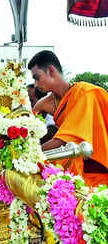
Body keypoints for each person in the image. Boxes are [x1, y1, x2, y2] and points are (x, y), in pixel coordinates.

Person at [28, 50, 108, 187]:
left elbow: (65, 139)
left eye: (37, 77)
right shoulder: (43, 104)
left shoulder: (87, 93)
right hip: (74, 157)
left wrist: (29, 155)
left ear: (51, 71)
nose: (35, 84)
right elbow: (27, 131)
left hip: (97, 162)